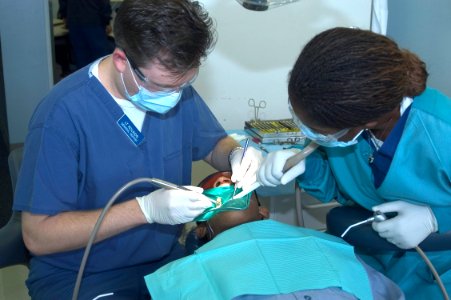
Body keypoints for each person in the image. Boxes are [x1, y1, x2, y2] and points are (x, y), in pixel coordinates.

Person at [13, 0, 262, 298]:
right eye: (163, 86)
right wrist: (146, 210)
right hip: (84, 274)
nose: (174, 96)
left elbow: (213, 145)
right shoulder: (62, 116)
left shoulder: (176, 92)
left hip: (164, 261)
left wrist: (237, 154)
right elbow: (38, 236)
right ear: (121, 60)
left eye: (185, 82)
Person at [257, 27, 451, 299]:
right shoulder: (349, 130)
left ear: (368, 121)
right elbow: (338, 190)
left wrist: (436, 218)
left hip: (438, 273)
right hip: (371, 257)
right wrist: (304, 164)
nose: (311, 135)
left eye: (318, 129)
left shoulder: (442, 130)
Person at [145, 171, 404, 300]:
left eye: (235, 184)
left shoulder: (328, 244)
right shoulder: (183, 273)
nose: (225, 183)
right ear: (202, 229)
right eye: (215, 191)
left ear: (264, 211)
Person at [58, 0, 115, 70]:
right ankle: (101, 79)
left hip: (74, 20)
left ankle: (85, 79)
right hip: (93, 20)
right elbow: (104, 3)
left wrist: (64, 15)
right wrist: (106, 20)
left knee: (81, 57)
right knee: (100, 57)